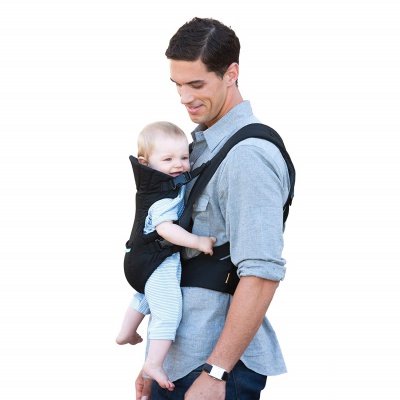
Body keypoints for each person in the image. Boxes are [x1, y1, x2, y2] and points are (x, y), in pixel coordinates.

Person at [135, 17, 293, 400]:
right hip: (181, 359)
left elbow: (261, 273)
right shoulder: (200, 149)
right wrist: (155, 361)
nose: (183, 97)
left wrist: (216, 372)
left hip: (213, 368)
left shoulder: (248, 156)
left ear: (231, 74)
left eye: (196, 84)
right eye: (177, 85)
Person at [116, 121, 216, 390]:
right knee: (169, 311)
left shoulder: (153, 186)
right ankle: (154, 363)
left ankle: (126, 332)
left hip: (138, 261)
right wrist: (198, 241)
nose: (178, 165)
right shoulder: (163, 195)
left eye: (183, 157)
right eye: (168, 159)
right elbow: (165, 229)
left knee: (147, 296)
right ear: (145, 163)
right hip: (157, 261)